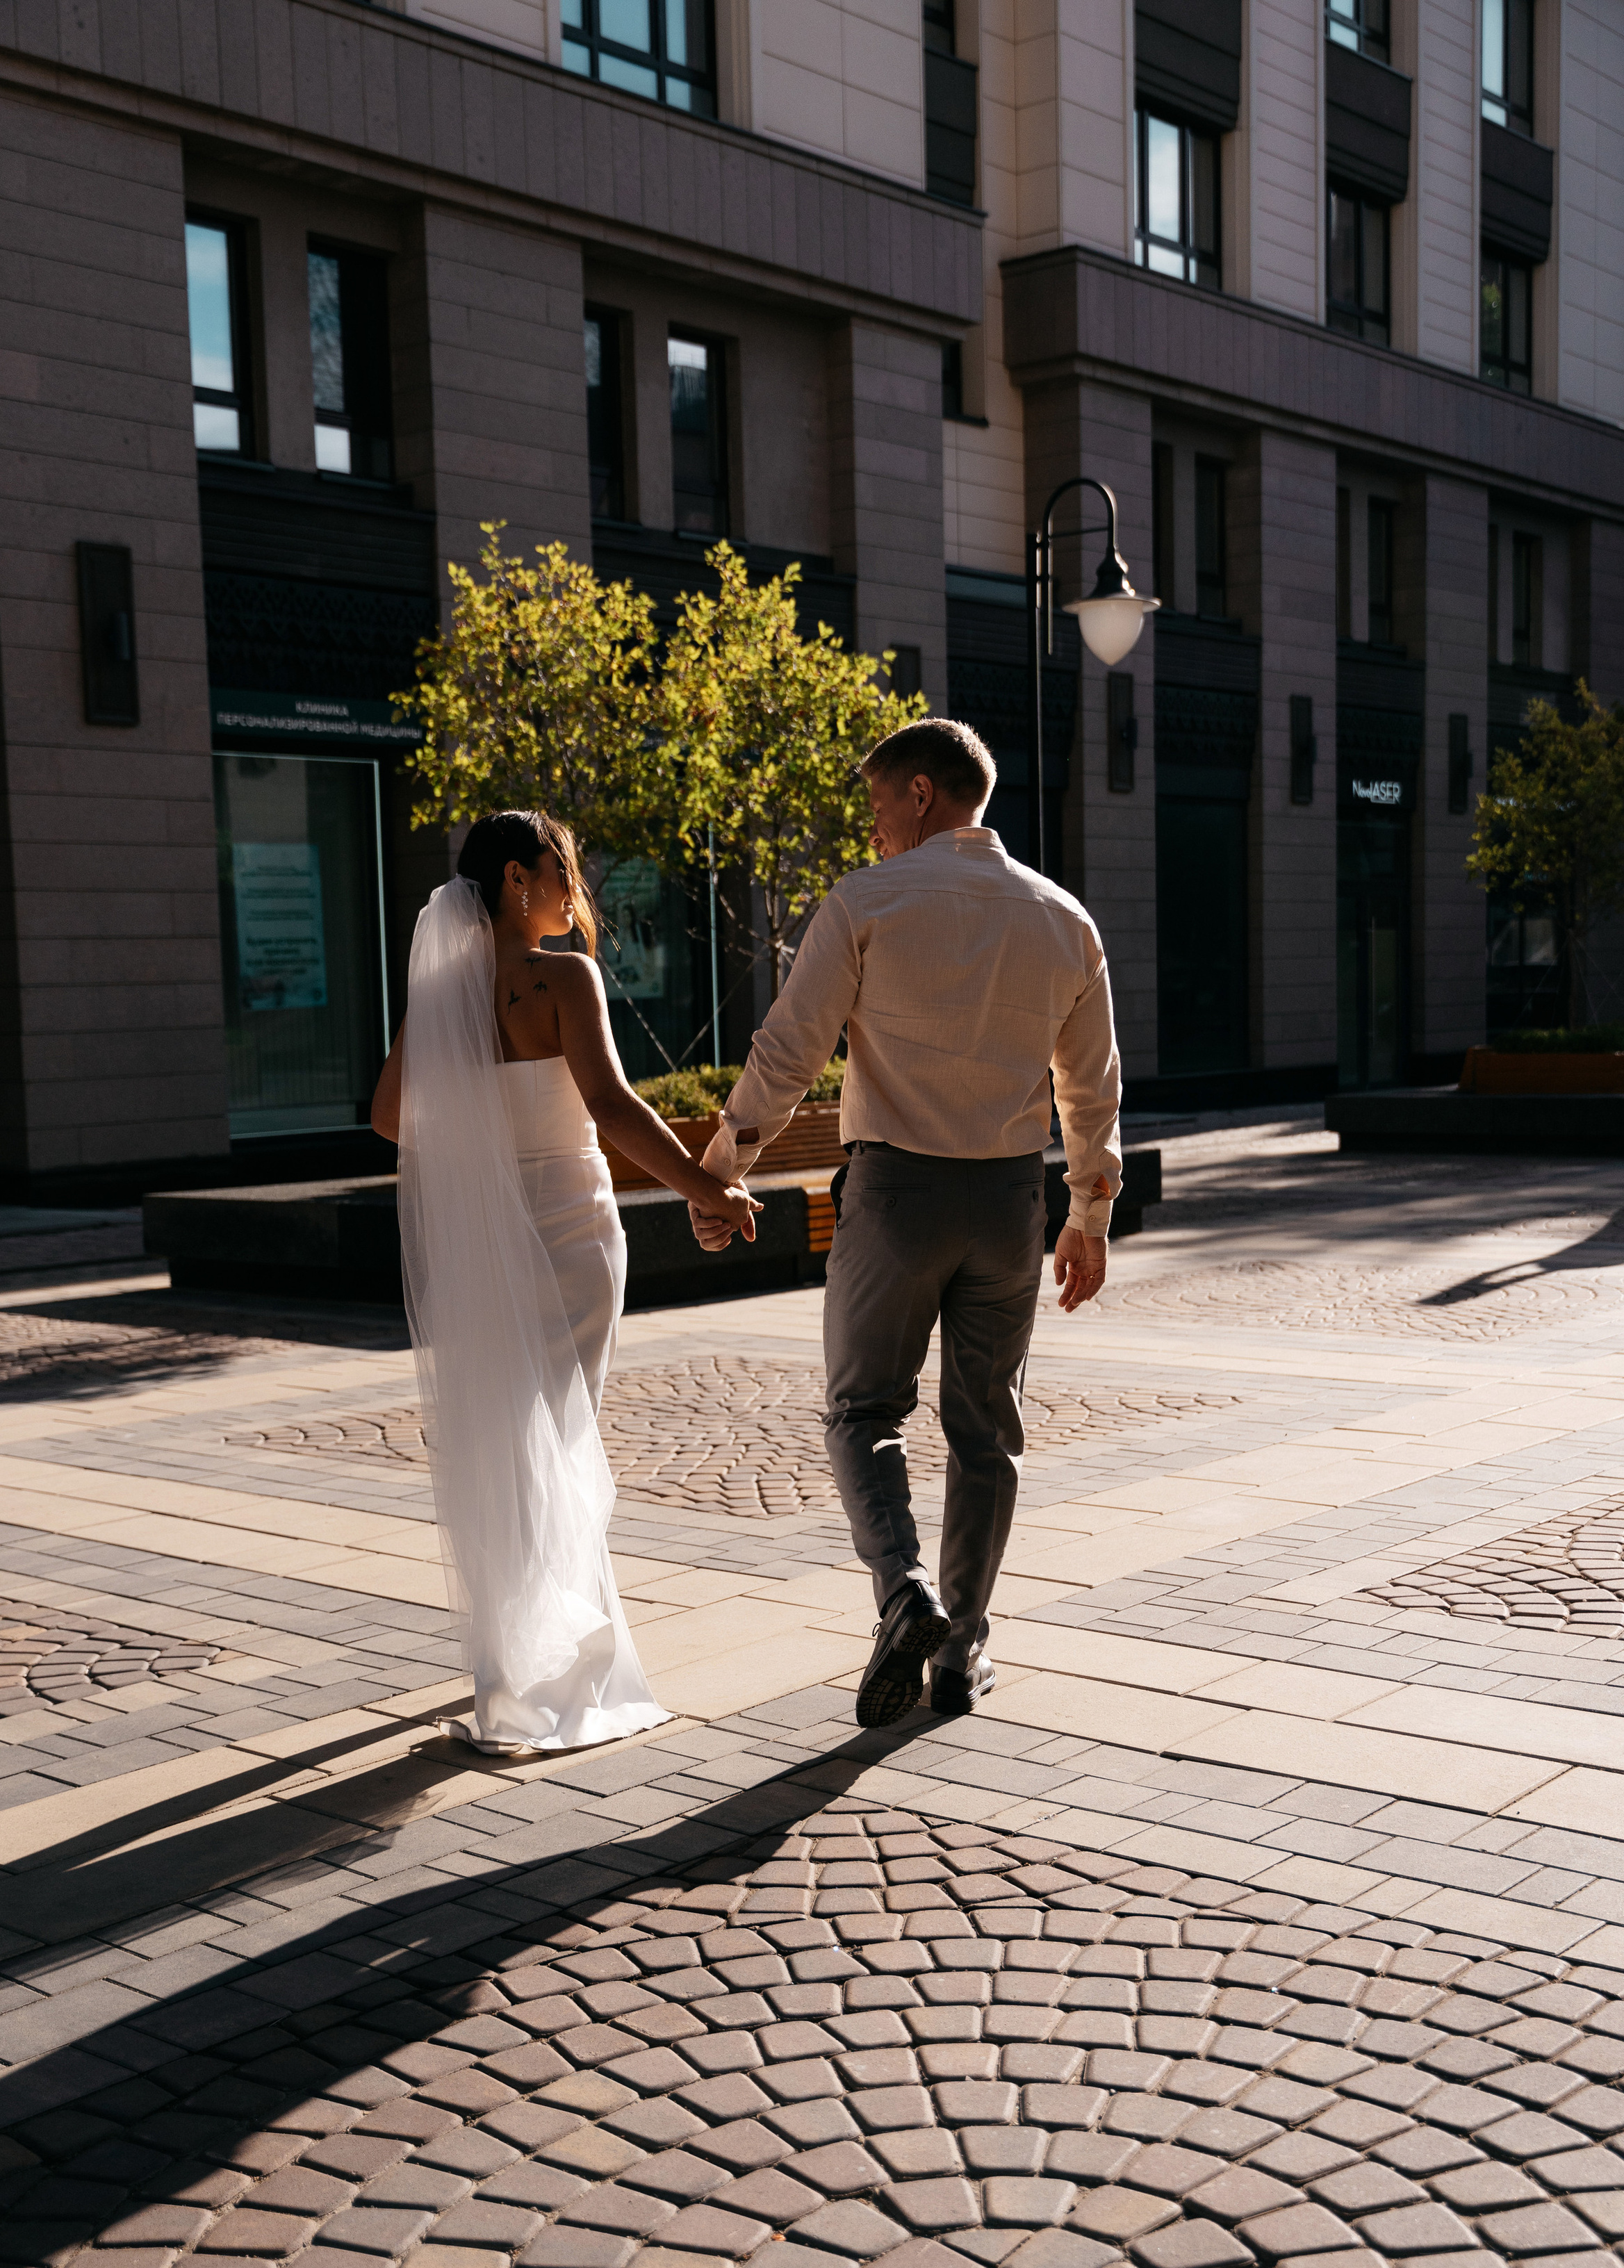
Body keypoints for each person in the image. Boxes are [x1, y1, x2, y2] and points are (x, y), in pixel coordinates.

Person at [692, 720, 1120, 1728]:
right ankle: (961, 1653)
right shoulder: (1066, 920)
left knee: (861, 1413)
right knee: (987, 1433)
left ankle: (904, 1593)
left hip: (893, 1200)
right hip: (1010, 1204)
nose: (875, 827)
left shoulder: (868, 901)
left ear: (922, 794)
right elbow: (1090, 1086)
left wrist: (721, 1174)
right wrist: (1089, 1211)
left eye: (881, 806)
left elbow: (788, 1053)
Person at [371, 810, 758, 1754]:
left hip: (496, 1237)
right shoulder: (564, 978)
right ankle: (562, 1657)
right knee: (564, 1432)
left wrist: (481, 1160)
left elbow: (387, 1118)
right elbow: (613, 1106)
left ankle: (507, 1663)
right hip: (574, 1233)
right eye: (561, 870)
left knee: (510, 1439)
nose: (573, 890)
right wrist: (712, 1187)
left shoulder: (448, 996)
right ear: (516, 878)